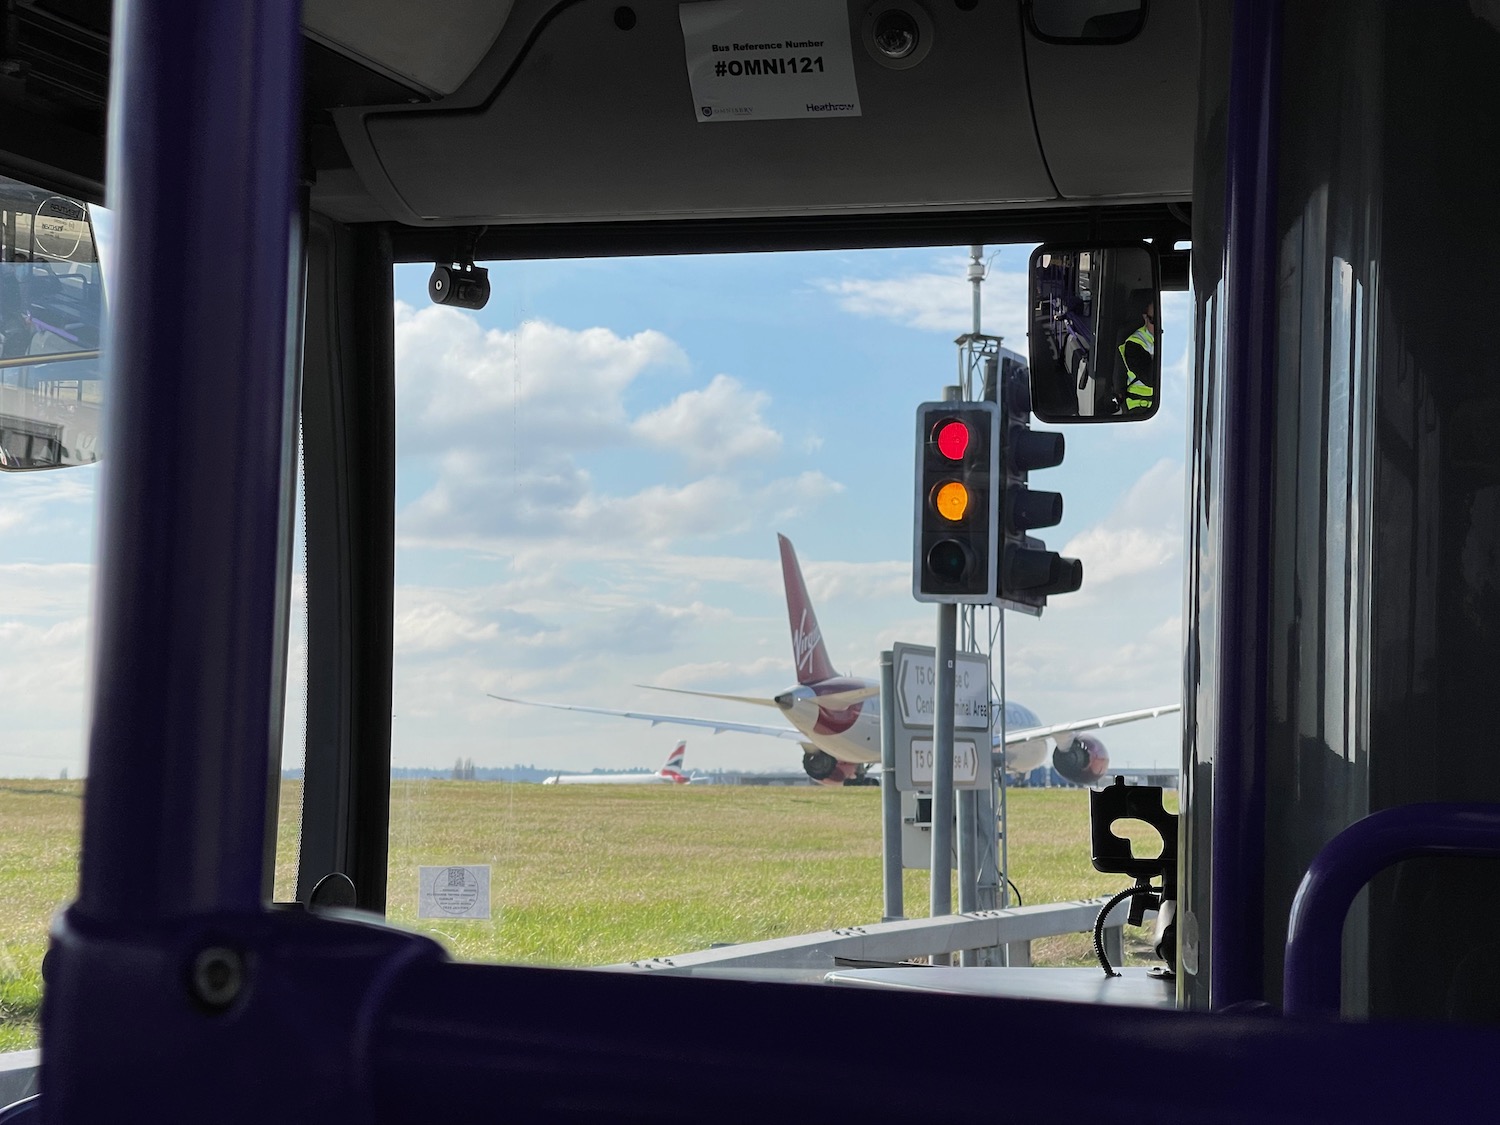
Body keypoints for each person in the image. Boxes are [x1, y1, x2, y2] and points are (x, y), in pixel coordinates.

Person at [1118, 293, 1156, 413]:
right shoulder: (1134, 343)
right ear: (1145, 318)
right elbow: (1151, 378)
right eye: (1154, 320)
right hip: (1140, 406)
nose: (1160, 324)